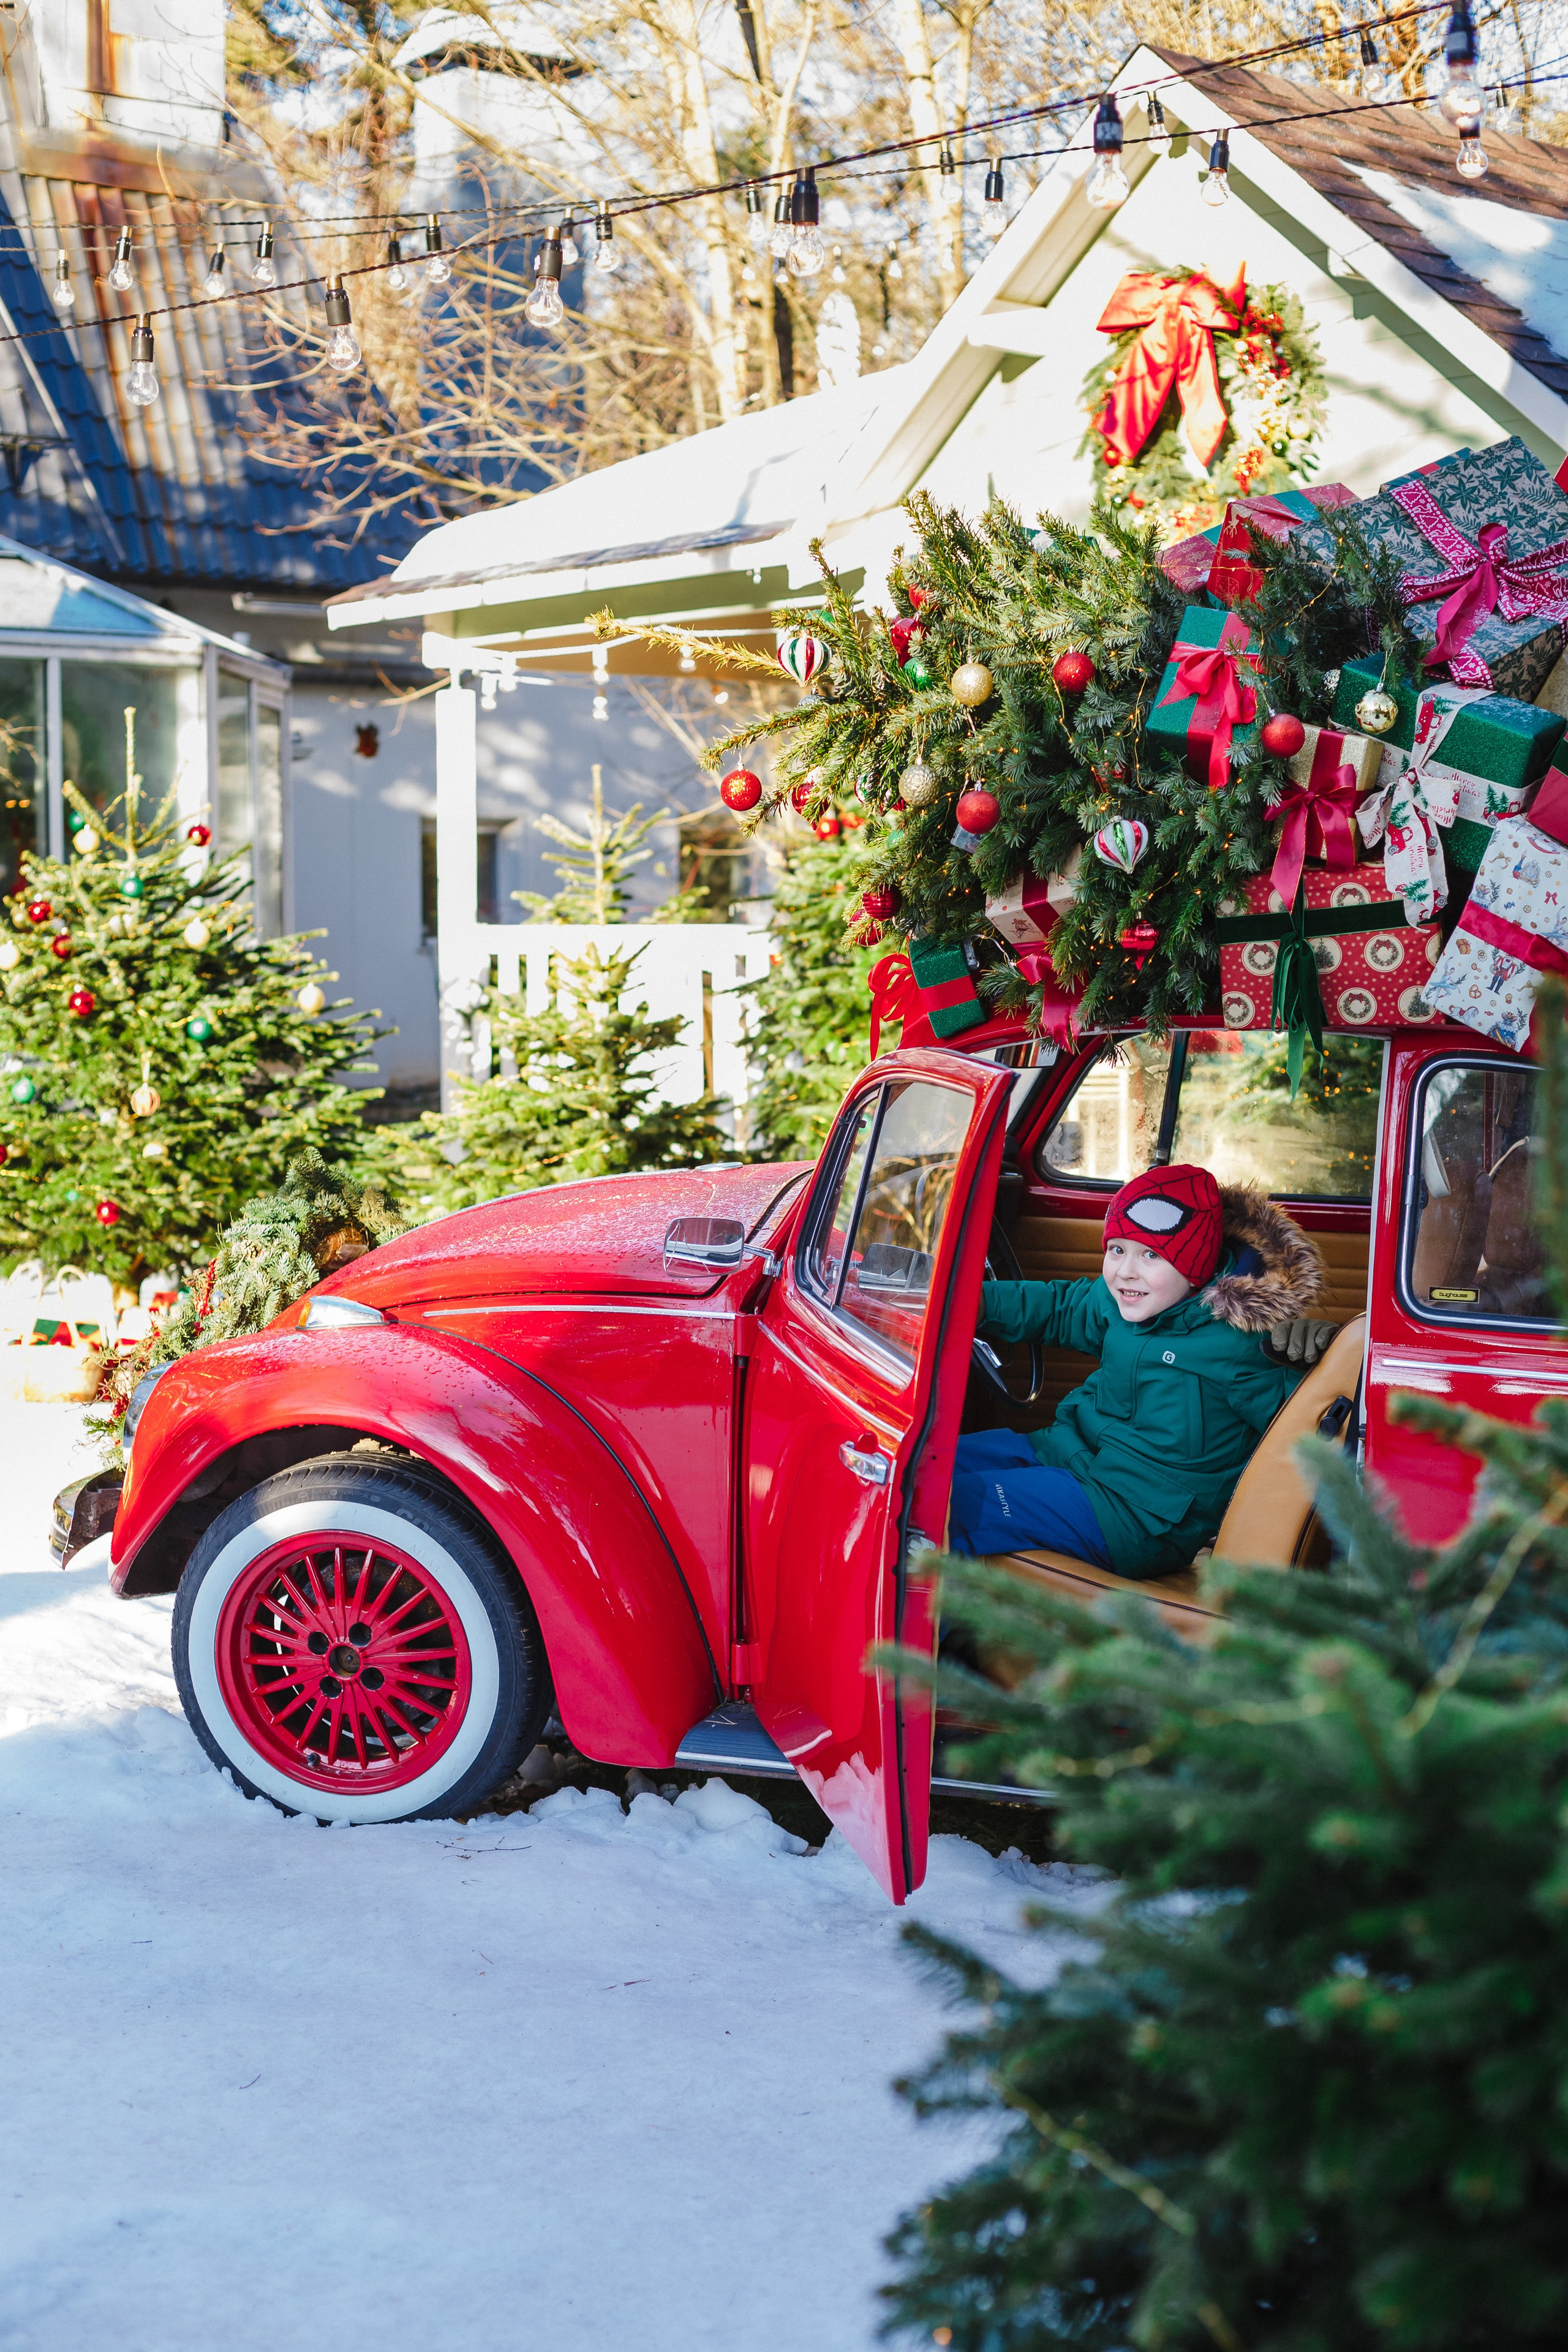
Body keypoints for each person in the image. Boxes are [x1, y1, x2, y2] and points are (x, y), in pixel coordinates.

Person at [950, 1163, 1338, 1578]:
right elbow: (1059, 1307)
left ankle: (933, 1630)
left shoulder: (1245, 1344)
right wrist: (966, 1300)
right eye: (1117, 1249)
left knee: (952, 1504)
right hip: (1068, 1455)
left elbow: (1308, 1431)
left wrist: (1323, 1364)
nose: (1125, 1271)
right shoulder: (1128, 1298)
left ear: (1198, 1264)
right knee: (928, 1462)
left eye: (1152, 1254)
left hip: (1137, 1516)